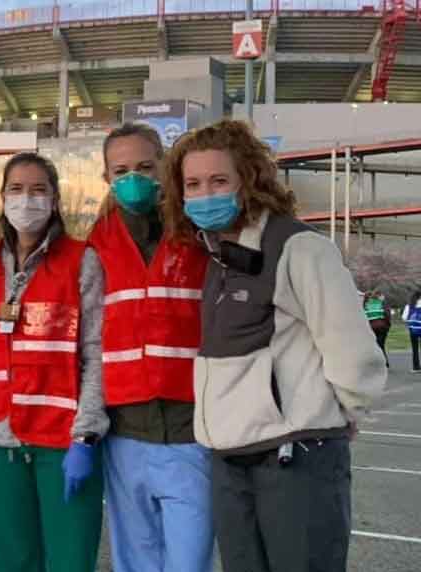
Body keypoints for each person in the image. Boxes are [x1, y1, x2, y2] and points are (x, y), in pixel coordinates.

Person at [161, 119, 387, 572]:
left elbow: (353, 350)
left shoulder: (299, 248)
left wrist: (341, 415)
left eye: (219, 180)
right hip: (230, 458)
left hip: (294, 456)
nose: (206, 193)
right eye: (193, 184)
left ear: (249, 180)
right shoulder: (217, 258)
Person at [0, 153, 107, 572]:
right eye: (16, 189)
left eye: (37, 190)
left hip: (62, 441)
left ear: (55, 200)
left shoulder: (82, 260)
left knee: (69, 558)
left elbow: (96, 353)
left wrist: (85, 437)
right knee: (11, 561)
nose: (25, 200)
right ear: (2, 197)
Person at [88, 122, 213, 572]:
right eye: (120, 170)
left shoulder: (198, 232)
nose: (134, 178)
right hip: (125, 436)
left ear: (164, 166)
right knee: (135, 561)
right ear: (106, 177)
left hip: (190, 430)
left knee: (189, 562)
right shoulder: (95, 244)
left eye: (145, 165)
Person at [364, 289, 391, 367]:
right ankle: (384, 362)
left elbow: (365, 317)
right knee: (381, 344)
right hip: (382, 327)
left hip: (372, 327)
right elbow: (387, 315)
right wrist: (388, 325)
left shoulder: (367, 305)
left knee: (378, 345)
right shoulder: (381, 303)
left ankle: (383, 362)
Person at [402, 290, 421, 373]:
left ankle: (416, 367)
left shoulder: (409, 305)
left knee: (415, 348)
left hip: (413, 328)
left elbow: (404, 318)